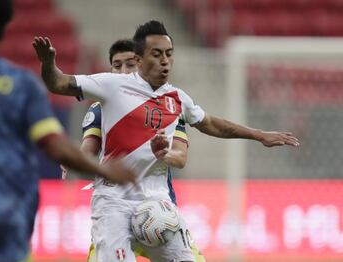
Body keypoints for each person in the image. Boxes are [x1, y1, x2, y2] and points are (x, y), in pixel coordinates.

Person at [33, 20, 299, 262]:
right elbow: (59, 83)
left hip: (157, 202)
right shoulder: (112, 85)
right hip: (113, 201)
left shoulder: (177, 98)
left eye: (169, 55)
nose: (165, 62)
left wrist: (259, 135)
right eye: (157, 54)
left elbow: (212, 124)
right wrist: (48, 64)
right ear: (139, 58)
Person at [0, 1, 135, 262]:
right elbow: (53, 144)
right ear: (4, 27)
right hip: (4, 212)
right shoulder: (20, 85)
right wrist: (105, 169)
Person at [61, 39, 205, 261]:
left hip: (159, 214)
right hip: (115, 212)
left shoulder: (168, 105)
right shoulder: (101, 108)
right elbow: (88, 147)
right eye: (116, 65)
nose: (122, 71)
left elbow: (181, 155)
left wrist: (166, 153)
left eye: (129, 64)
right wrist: (75, 158)